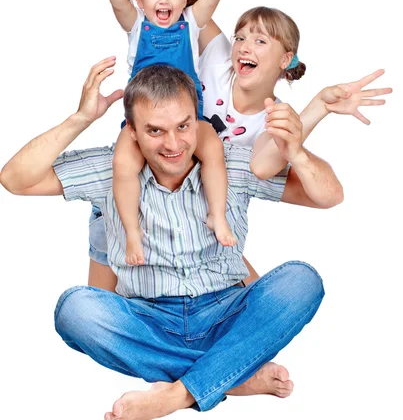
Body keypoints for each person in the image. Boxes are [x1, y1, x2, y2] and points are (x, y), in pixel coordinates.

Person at [84, 0, 392, 293]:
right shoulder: (216, 59)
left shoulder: (267, 124)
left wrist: (321, 106)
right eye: (242, 34)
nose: (243, 44)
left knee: (231, 274)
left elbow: (296, 180)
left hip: (190, 212)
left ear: (285, 58)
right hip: (136, 182)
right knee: (106, 302)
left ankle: (246, 352)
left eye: (259, 40)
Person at [0, 58, 344, 419]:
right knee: (76, 310)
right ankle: (232, 374)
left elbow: (329, 195)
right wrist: (81, 118)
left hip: (228, 313)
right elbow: (14, 179)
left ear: (196, 119)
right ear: (131, 130)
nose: (174, 144)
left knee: (301, 280)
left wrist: (297, 153)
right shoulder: (110, 169)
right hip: (149, 321)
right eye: (155, 131)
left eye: (183, 126)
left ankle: (178, 394)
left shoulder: (232, 163)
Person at [109, 0, 238, 266]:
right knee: (123, 165)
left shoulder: (190, 24)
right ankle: (132, 230)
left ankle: (218, 215)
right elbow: (116, 1)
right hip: (145, 119)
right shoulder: (137, 26)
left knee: (213, 152)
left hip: (187, 117)